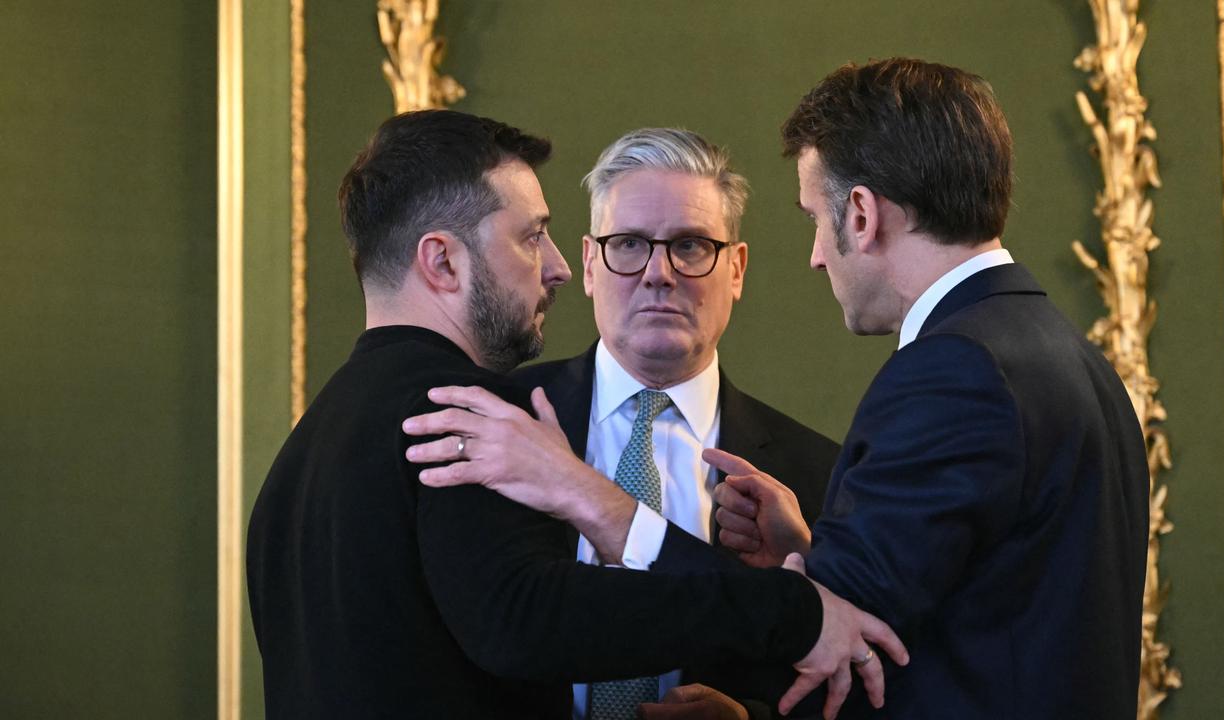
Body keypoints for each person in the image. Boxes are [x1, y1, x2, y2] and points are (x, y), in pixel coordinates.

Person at [405, 58, 1149, 719]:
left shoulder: (952, 374)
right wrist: (806, 556)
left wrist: (595, 503)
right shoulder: (1072, 357)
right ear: (594, 264)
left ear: (860, 214)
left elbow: (837, 649)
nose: (820, 257)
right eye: (628, 245)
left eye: (816, 221)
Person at [246, 109, 905, 720]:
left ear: (736, 268)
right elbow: (529, 617)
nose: (555, 267)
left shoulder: (298, 454)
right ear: (442, 260)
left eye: (691, 247)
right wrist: (793, 610)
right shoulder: (473, 418)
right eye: (533, 237)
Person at [512, 128, 839, 718]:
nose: (659, 273)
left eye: (690, 246)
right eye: (630, 244)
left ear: (735, 270)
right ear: (589, 264)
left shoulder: (817, 478)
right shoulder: (504, 422)